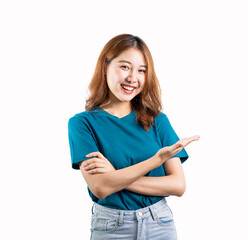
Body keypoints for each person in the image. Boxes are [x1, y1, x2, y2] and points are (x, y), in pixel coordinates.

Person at [68, 33, 199, 240]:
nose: (132, 78)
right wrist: (157, 160)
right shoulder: (82, 123)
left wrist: (115, 176)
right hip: (111, 228)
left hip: (160, 223)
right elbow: (100, 188)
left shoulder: (158, 120)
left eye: (141, 70)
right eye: (125, 67)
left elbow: (177, 185)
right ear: (105, 67)